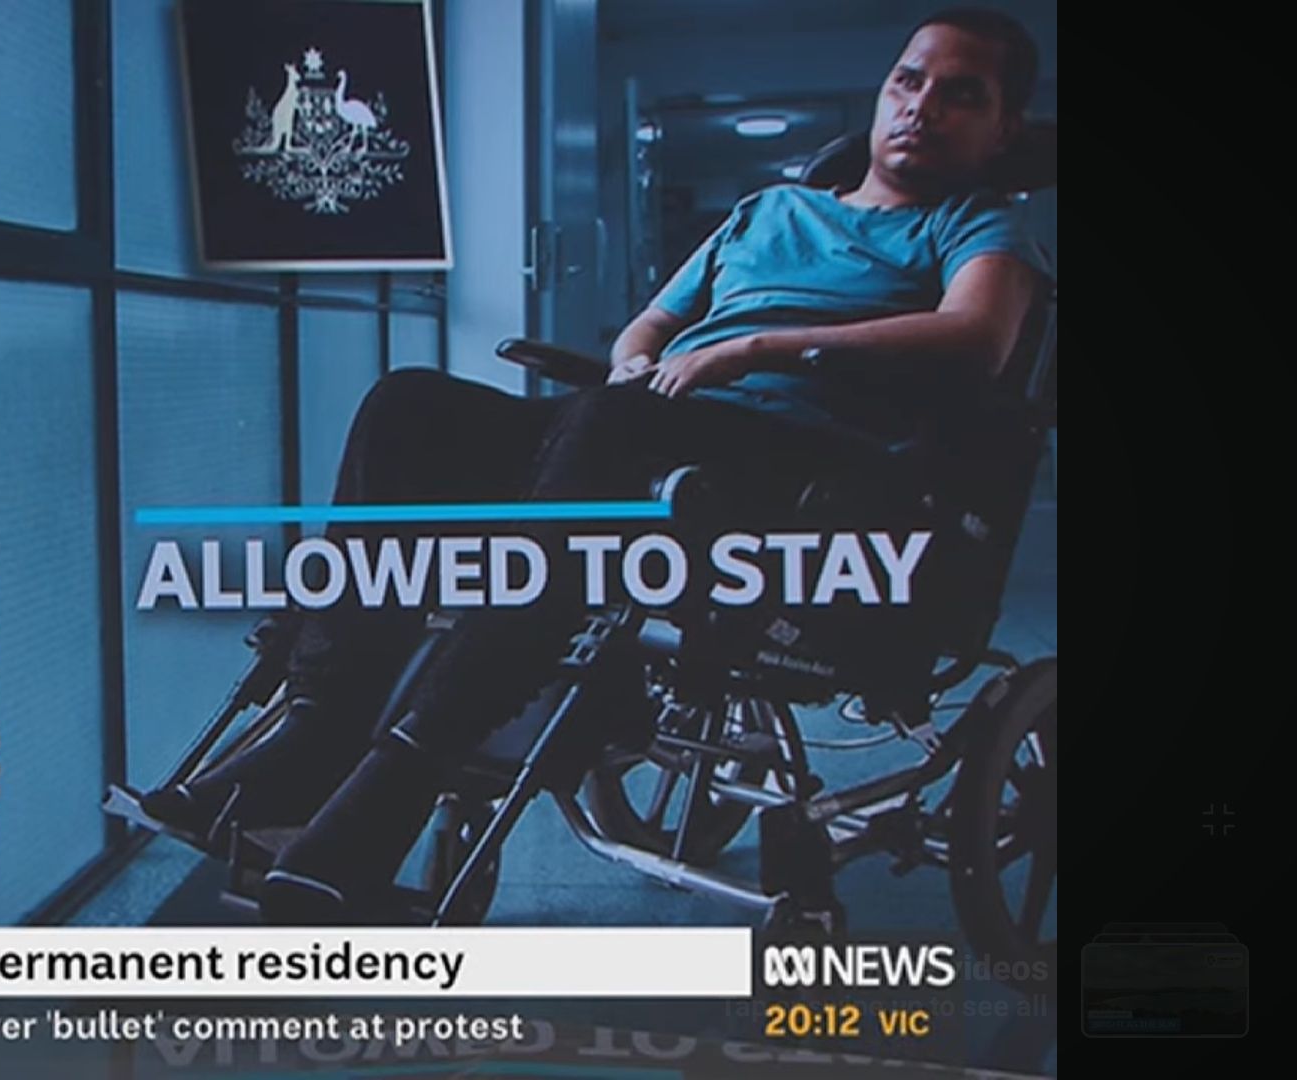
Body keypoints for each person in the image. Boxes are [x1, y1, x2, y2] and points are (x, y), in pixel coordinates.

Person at [144, 7, 1051, 923]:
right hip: (652, 427)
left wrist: (754, 350)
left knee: (605, 437)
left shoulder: (977, 229)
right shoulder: (770, 211)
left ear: (1003, 127)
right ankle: (318, 727)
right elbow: (653, 322)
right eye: (908, 81)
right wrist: (636, 360)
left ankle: (397, 786)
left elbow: (977, 336)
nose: (921, 106)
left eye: (960, 94)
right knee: (409, 408)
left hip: (794, 469)